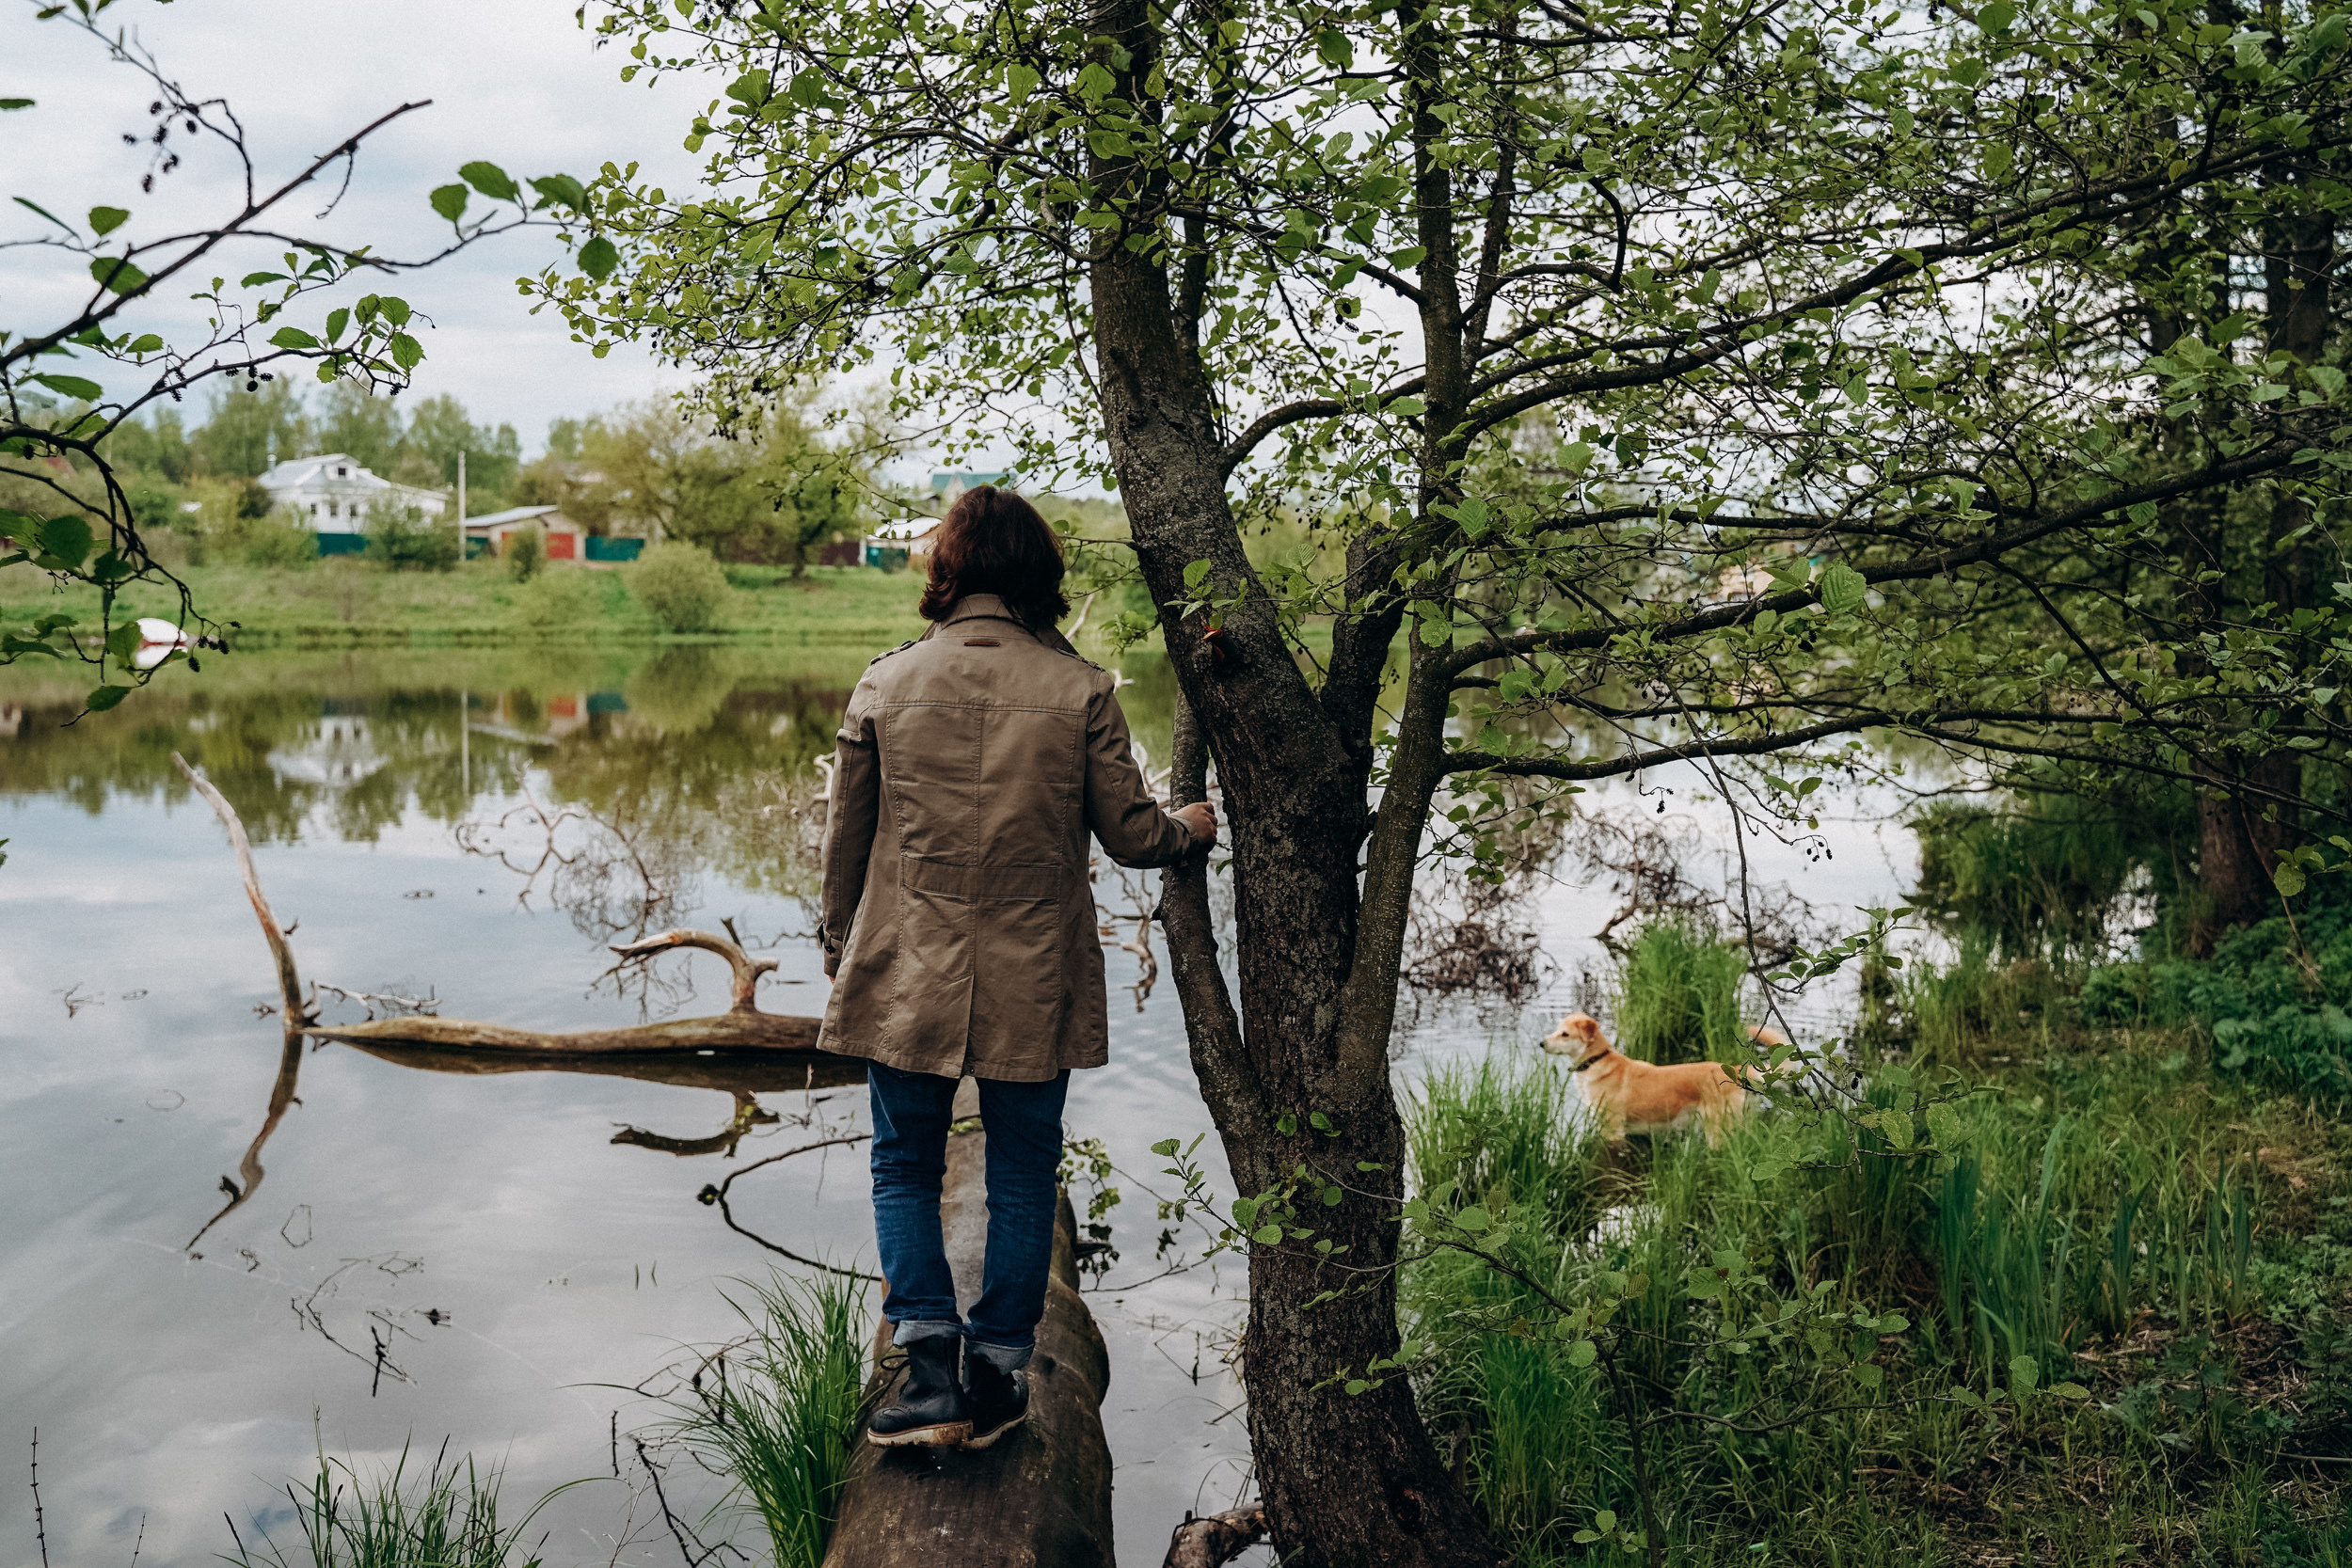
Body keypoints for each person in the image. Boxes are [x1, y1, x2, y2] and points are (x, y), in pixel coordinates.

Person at [817, 485, 1217, 1450]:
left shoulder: (885, 682)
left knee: (905, 1162)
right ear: (1039, 574)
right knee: (1026, 1169)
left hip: (907, 962)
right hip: (1033, 967)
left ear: (946, 571)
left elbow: (845, 842)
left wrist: (843, 948)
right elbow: (1130, 834)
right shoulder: (1079, 688)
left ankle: (924, 1374)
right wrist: (1189, 828)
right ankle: (997, 1370)